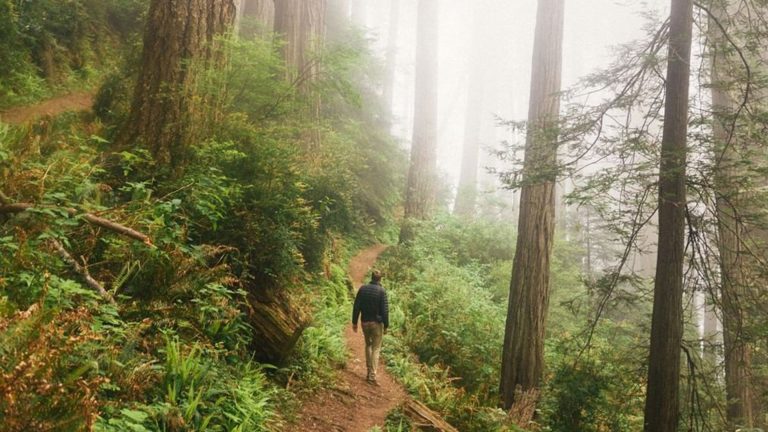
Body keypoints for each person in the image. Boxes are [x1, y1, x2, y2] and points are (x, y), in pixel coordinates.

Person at [352, 269, 389, 385]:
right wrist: (386, 325)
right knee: (376, 348)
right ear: (380, 279)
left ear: (371, 277)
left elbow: (356, 306)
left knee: (368, 345)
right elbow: (385, 310)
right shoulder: (381, 291)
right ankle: (372, 376)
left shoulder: (363, 289)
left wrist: (354, 322)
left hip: (364, 322)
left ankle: (368, 371)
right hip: (376, 324)